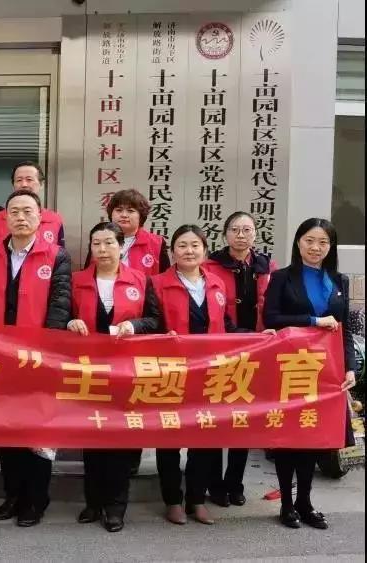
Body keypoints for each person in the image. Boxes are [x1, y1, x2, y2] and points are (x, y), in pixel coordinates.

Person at [0, 189, 72, 528]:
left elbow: (60, 304)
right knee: (7, 430)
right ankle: (12, 496)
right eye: (15, 212)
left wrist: (48, 351)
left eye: (27, 211)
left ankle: (35, 500)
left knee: (38, 434)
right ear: (5, 218)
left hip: (39, 359)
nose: (21, 217)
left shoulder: (57, 256)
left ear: (41, 217)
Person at [151, 225, 264, 526]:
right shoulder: (157, 284)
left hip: (210, 373)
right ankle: (172, 500)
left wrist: (257, 337)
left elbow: (225, 326)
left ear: (204, 250)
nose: (189, 251)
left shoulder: (215, 283)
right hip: (171, 373)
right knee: (169, 438)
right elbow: (150, 324)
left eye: (195, 245)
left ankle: (196, 499)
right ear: (172, 251)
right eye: (182, 245)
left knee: (205, 438)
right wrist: (162, 337)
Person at [264, 218, 358, 530]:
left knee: (312, 436)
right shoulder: (282, 277)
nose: (315, 247)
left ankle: (305, 502)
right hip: (291, 368)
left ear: (331, 247)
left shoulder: (339, 280)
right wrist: (313, 321)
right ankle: (287, 505)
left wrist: (349, 367)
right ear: (298, 242)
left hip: (325, 372)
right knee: (288, 437)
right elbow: (272, 318)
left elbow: (344, 329)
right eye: (309, 240)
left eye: (323, 242)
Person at [68, 222, 162, 533]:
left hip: (126, 371)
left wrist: (135, 326)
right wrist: (70, 322)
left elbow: (156, 320)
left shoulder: (141, 280)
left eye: (109, 242)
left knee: (120, 441)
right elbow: (61, 315)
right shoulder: (77, 281)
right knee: (92, 438)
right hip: (89, 370)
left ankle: (115, 507)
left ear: (121, 246)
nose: (103, 249)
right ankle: (93, 502)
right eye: (97, 243)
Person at [204, 211, 277, 508]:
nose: (241, 235)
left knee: (242, 419)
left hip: (256, 351)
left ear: (256, 234)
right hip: (220, 350)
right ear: (225, 234)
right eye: (235, 229)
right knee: (213, 419)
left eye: (247, 229)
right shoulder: (210, 266)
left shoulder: (267, 267)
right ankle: (214, 484)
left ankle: (235, 483)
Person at [86, 189, 170, 276]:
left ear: (141, 216)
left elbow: (165, 278)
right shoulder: (98, 239)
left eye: (130, 211)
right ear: (111, 214)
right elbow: (87, 275)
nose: (124, 215)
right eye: (119, 210)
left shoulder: (157, 243)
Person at [0, 161, 65, 247]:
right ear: (13, 185)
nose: (24, 185)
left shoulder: (54, 219)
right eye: (19, 180)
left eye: (29, 180)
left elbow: (60, 252)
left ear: (41, 184)